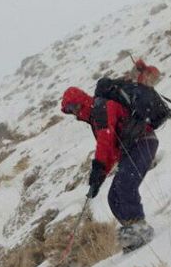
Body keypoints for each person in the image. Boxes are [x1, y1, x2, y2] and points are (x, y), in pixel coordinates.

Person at [60, 87, 158, 252]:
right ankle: (132, 233)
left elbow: (105, 141)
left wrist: (97, 167)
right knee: (114, 197)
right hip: (130, 149)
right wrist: (99, 178)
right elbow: (111, 150)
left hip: (143, 141)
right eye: (70, 110)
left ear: (82, 100)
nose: (74, 112)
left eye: (74, 106)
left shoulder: (101, 108)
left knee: (124, 185)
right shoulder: (94, 118)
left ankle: (140, 230)